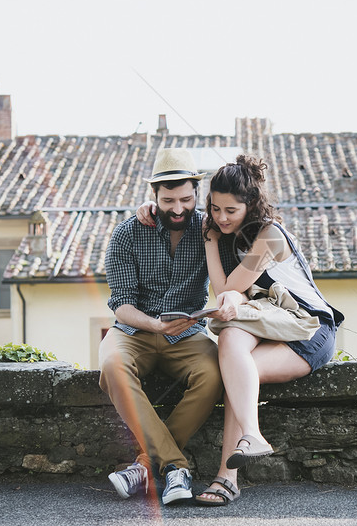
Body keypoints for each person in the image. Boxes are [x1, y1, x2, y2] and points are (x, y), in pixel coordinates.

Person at [137, 154, 343, 506]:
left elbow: (227, 289)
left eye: (230, 210)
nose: (221, 217)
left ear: (251, 204)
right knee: (231, 342)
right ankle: (243, 452)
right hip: (267, 321)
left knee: (236, 368)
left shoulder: (270, 236)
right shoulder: (223, 230)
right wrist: (152, 209)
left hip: (307, 329)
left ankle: (230, 471)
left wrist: (211, 240)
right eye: (215, 209)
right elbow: (225, 293)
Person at [100, 147, 224, 506]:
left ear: (197, 194)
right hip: (134, 331)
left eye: (186, 199)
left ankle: (143, 467)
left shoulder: (209, 231)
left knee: (214, 375)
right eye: (169, 200)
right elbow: (121, 303)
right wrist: (154, 324)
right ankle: (175, 467)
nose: (179, 208)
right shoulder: (127, 234)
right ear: (153, 196)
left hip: (187, 334)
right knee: (112, 366)